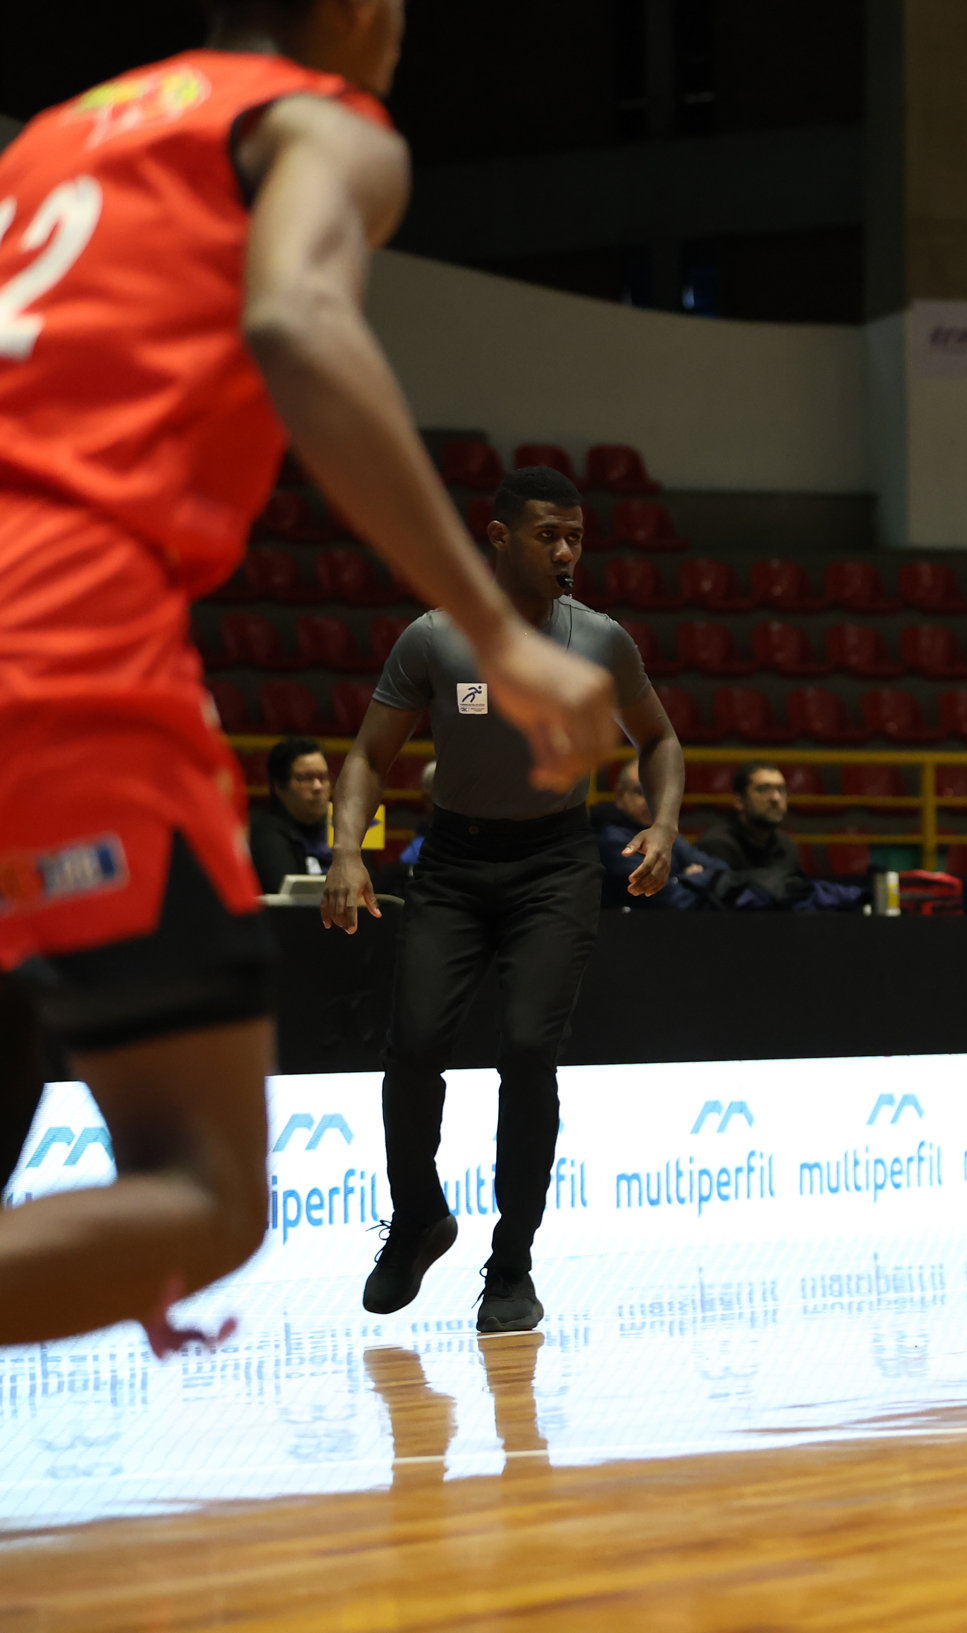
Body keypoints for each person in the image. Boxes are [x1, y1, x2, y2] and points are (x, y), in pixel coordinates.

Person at [0, 0, 615, 1355]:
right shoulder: (319, 125)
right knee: (206, 1194)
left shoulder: (53, 141)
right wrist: (501, 634)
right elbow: (294, 313)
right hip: (56, 646)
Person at [321, 465, 681, 1334]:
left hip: (552, 865)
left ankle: (511, 1263)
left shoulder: (600, 640)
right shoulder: (436, 638)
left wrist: (665, 823)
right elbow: (368, 755)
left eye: (575, 537)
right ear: (497, 537)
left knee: (526, 1049)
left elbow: (660, 739)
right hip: (452, 861)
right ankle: (418, 1218)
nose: (565, 552)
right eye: (547, 535)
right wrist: (347, 849)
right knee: (413, 1047)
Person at [598, 761, 726, 910]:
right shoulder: (610, 839)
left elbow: (722, 871)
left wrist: (681, 880)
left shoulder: (661, 831)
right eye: (640, 792)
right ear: (620, 794)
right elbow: (675, 900)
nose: (649, 801)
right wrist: (690, 878)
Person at [692, 762, 810, 906]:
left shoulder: (787, 845)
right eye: (763, 789)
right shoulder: (716, 845)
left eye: (781, 789)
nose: (775, 798)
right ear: (739, 801)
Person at [247, 736, 335, 891]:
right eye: (306, 778)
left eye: (323, 777)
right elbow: (286, 896)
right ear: (280, 787)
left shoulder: (342, 825)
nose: (318, 787)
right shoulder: (266, 833)